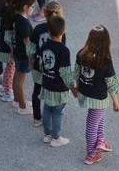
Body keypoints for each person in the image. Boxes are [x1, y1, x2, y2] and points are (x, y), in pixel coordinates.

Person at [73, 25, 119, 165]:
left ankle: (101, 139)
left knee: (99, 115)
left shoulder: (81, 54)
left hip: (85, 93)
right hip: (99, 97)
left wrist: (76, 88)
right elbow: (112, 84)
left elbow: (76, 72)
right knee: (92, 124)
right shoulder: (105, 61)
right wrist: (116, 102)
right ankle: (90, 154)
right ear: (106, 42)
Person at [38, 15, 75, 147]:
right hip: (59, 87)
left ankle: (46, 135)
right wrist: (73, 87)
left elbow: (42, 63)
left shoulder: (45, 45)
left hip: (47, 83)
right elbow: (65, 72)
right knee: (58, 112)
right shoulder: (64, 50)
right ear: (63, 31)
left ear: (48, 31)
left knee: (47, 109)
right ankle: (56, 138)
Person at [27, 1, 64, 127]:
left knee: (37, 90)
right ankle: (52, 115)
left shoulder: (38, 29)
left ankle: (37, 117)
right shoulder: (61, 30)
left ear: (45, 14)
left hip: (38, 65)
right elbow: (62, 50)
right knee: (52, 91)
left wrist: (31, 59)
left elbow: (30, 47)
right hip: (53, 69)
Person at [9, 0, 36, 115]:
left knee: (16, 77)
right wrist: (32, 57)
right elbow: (27, 42)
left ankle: (16, 100)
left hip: (17, 51)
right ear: (25, 7)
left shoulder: (17, 18)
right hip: (24, 54)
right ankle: (22, 106)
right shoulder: (23, 23)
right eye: (32, 7)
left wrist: (12, 49)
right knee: (20, 80)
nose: (33, 9)